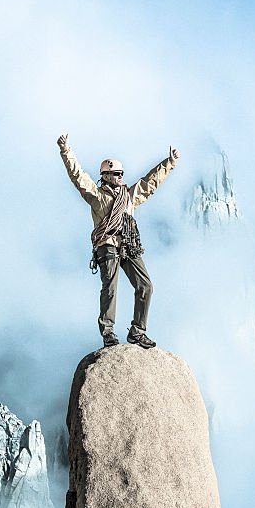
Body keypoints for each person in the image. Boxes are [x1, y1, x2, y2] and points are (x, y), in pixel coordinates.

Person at [57, 133, 178, 349]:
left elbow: (150, 182)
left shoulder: (128, 195)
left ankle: (137, 331)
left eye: (121, 173)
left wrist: (169, 163)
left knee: (145, 286)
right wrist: (66, 151)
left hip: (129, 245)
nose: (120, 176)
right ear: (105, 176)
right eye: (116, 173)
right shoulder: (96, 195)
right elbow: (78, 176)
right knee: (110, 288)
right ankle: (108, 332)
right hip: (108, 245)